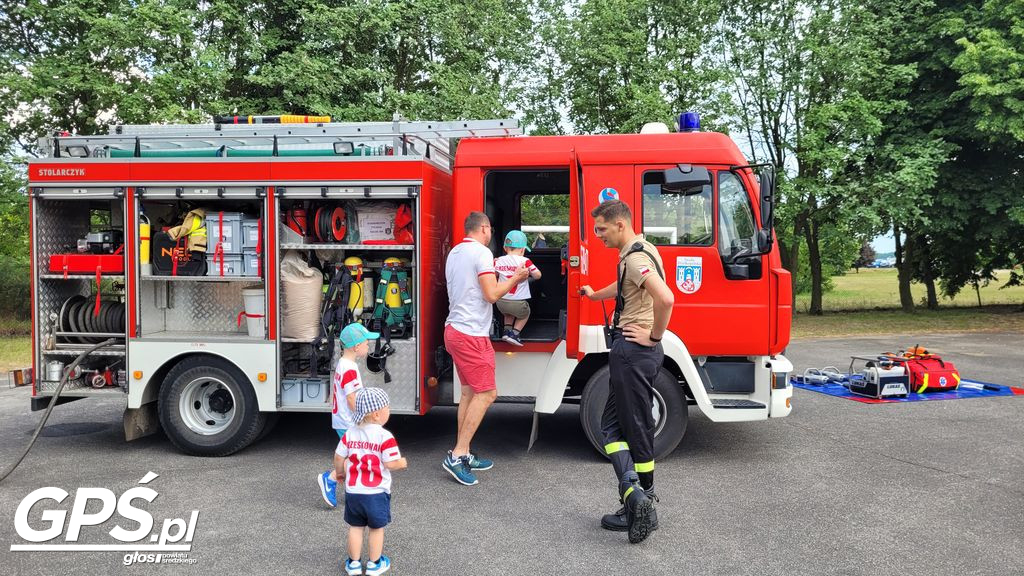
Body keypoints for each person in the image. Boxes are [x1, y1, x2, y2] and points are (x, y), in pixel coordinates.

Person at [580, 200, 675, 544]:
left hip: (634, 351)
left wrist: (654, 335)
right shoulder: (642, 250)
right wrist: (594, 297)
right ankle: (634, 499)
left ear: (620, 224)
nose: (599, 236)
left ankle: (641, 501)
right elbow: (624, 287)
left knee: (635, 427)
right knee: (611, 426)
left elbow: (666, 299)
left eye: (602, 229)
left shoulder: (634, 258)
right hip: (637, 353)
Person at [442, 211, 529, 485]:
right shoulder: (481, 253)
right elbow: (491, 295)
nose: (491, 232)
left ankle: (463, 451)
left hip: (454, 329)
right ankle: (457, 455)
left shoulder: (455, 252)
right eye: (490, 228)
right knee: (488, 393)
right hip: (471, 335)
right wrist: (516, 277)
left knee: (469, 392)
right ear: (484, 228)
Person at [337, 387, 407, 576]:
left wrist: (340, 472)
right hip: (376, 493)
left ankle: (353, 563)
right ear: (377, 414)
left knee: (355, 527)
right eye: (387, 407)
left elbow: (338, 456)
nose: (389, 410)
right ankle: (375, 564)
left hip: (354, 492)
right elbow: (390, 463)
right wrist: (402, 462)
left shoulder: (350, 433)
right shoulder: (385, 436)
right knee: (376, 528)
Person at [318, 323, 377, 508]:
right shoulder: (350, 369)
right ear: (356, 346)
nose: (369, 346)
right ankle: (331, 478)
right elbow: (352, 398)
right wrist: (362, 419)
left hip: (343, 420)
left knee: (355, 456)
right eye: (367, 342)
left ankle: (352, 490)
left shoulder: (344, 364)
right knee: (356, 458)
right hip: (348, 421)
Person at [493, 230, 542, 346]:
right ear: (522, 249)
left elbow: (493, 275)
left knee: (508, 314)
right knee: (525, 313)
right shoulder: (525, 261)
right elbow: (538, 275)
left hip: (501, 302)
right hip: (518, 303)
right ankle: (515, 334)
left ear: (505, 248)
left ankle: (506, 332)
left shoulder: (498, 260)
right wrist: (529, 274)